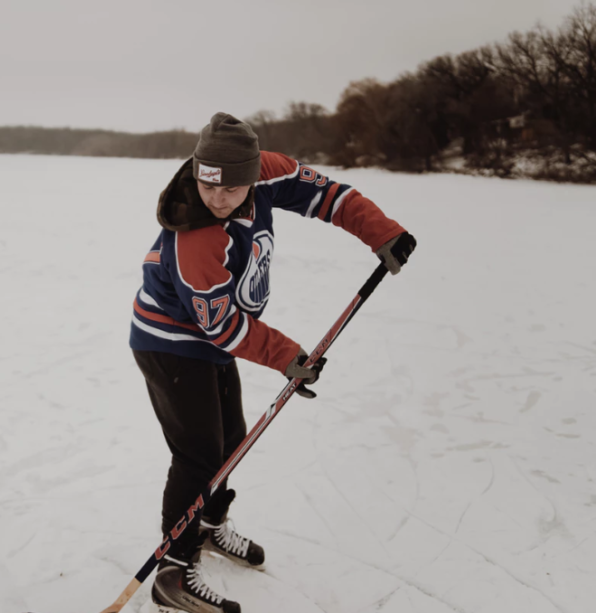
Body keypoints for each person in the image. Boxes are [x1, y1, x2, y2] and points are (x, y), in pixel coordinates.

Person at [130, 112, 416, 613]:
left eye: (231, 188)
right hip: (170, 340)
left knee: (231, 441)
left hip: (212, 337)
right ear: (197, 171)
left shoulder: (268, 171)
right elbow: (224, 326)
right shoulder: (196, 238)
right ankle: (172, 570)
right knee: (198, 453)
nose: (217, 198)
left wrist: (381, 232)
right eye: (207, 184)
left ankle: (210, 525)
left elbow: (329, 196)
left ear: (254, 173)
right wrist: (287, 356)